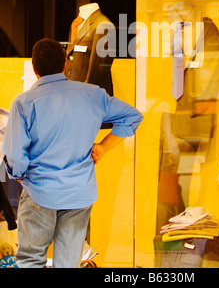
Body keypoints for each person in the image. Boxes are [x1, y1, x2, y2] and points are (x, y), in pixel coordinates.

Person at [2, 38, 143, 268]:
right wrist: (103, 147)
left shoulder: (24, 103)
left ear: (34, 69)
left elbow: (16, 157)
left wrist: (18, 173)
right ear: (65, 65)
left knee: (30, 260)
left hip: (39, 192)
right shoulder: (92, 95)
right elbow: (133, 116)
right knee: (68, 263)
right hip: (79, 193)